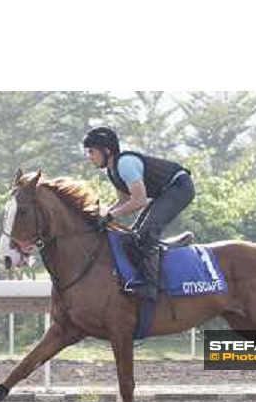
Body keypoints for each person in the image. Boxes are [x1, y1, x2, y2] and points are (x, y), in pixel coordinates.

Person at [83, 126, 195, 300]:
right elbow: (123, 201)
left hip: (179, 187)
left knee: (146, 234)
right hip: (164, 192)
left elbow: (139, 201)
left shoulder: (125, 164)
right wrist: (102, 215)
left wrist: (110, 216)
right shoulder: (112, 171)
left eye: (91, 152)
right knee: (133, 236)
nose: (89, 157)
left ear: (106, 150)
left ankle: (151, 287)